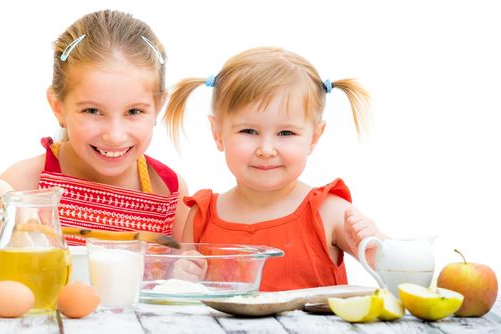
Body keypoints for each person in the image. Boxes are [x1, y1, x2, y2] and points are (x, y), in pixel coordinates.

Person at [0, 10, 189, 292]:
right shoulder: (22, 185)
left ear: (158, 107)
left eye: (134, 111)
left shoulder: (168, 191)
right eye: (92, 110)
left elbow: (182, 284)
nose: (114, 134)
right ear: (58, 107)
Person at [163, 47, 386, 291]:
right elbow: (181, 296)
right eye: (249, 131)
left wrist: (377, 247)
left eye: (286, 133)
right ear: (218, 134)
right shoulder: (200, 217)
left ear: (314, 138)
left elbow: (400, 277)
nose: (266, 149)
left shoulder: (329, 212)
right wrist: (180, 276)